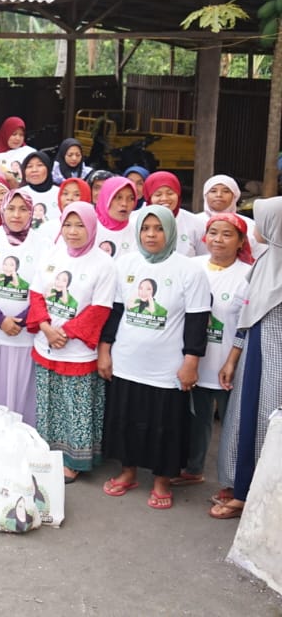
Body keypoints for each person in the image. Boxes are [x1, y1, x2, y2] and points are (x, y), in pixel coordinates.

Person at [99, 206, 211, 510]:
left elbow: (197, 321)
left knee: (165, 424)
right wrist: (105, 350)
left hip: (166, 368)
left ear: (170, 232)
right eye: (146, 228)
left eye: (158, 228)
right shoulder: (125, 264)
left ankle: (162, 480)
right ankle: (128, 473)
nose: (151, 234)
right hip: (127, 361)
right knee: (125, 420)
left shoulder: (189, 270)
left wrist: (191, 361)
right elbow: (115, 312)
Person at [26, 202, 117, 481]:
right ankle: (49, 454)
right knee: (49, 403)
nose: (73, 231)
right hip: (47, 343)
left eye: (80, 225)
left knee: (75, 405)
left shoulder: (103, 263)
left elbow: (100, 309)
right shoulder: (52, 254)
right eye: (68, 224)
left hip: (76, 350)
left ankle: (75, 461)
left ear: (91, 227)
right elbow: (36, 294)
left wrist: (64, 333)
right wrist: (46, 328)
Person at [171, 214, 251, 493]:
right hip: (192, 361)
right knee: (196, 419)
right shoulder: (191, 267)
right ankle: (193, 469)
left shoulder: (247, 274)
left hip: (227, 364)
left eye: (227, 234)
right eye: (213, 233)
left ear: (241, 241)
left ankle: (233, 484)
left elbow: (245, 325)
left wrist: (231, 361)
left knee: (233, 426)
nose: (218, 239)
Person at [213, 197, 282, 520]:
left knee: (271, 426)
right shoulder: (266, 261)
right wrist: (232, 359)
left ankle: (265, 498)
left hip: (277, 364)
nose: (257, 227)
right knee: (245, 420)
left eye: (263, 220)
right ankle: (243, 490)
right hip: (255, 356)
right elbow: (247, 314)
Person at [0, 188, 46, 426]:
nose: (16, 215)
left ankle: (21, 445)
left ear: (31, 212)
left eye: (23, 209)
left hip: (25, 337)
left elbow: (44, 290)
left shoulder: (44, 244)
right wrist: (0, 319)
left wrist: (22, 320)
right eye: (11, 208)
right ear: (2, 210)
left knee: (21, 391)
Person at [142, 171, 204, 257]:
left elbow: (203, 258)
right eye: (158, 194)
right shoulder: (136, 222)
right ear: (149, 197)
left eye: (170, 193)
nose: (164, 198)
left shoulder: (196, 223)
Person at [94, 176, 138, 255]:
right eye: (118, 197)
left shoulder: (137, 231)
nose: (124, 204)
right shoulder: (89, 229)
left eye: (130, 198)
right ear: (106, 198)